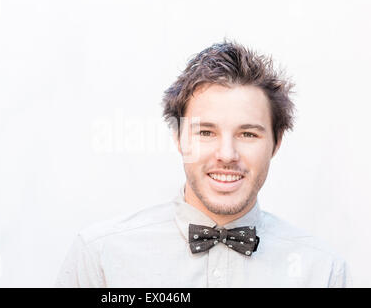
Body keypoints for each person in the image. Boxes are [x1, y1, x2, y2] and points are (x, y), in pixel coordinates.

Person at [55, 40, 351, 287]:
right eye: (206, 132)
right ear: (178, 138)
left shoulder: (324, 272)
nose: (226, 154)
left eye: (248, 133)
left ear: (276, 143)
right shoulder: (100, 258)